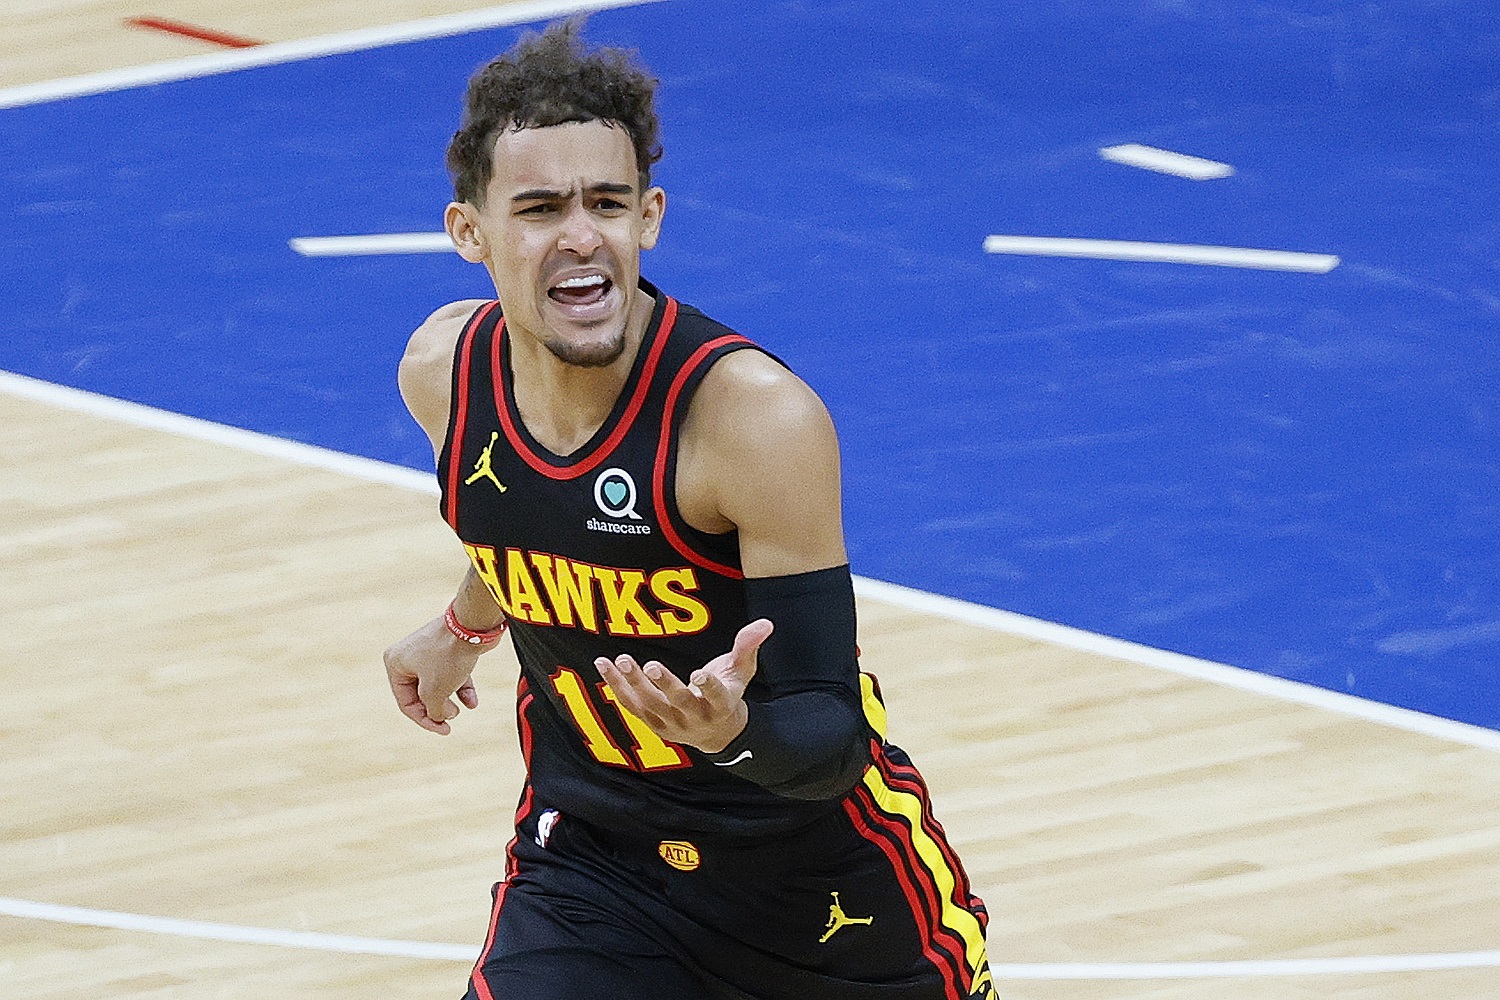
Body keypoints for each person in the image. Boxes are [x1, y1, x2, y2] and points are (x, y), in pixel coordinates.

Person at [382, 20, 997, 1000]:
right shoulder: (444, 376)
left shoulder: (751, 419)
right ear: (470, 233)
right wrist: (464, 623)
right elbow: (527, 520)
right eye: (539, 208)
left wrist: (729, 732)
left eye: (606, 203)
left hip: (822, 892)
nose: (580, 234)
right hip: (595, 865)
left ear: (650, 218)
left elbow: (827, 731)